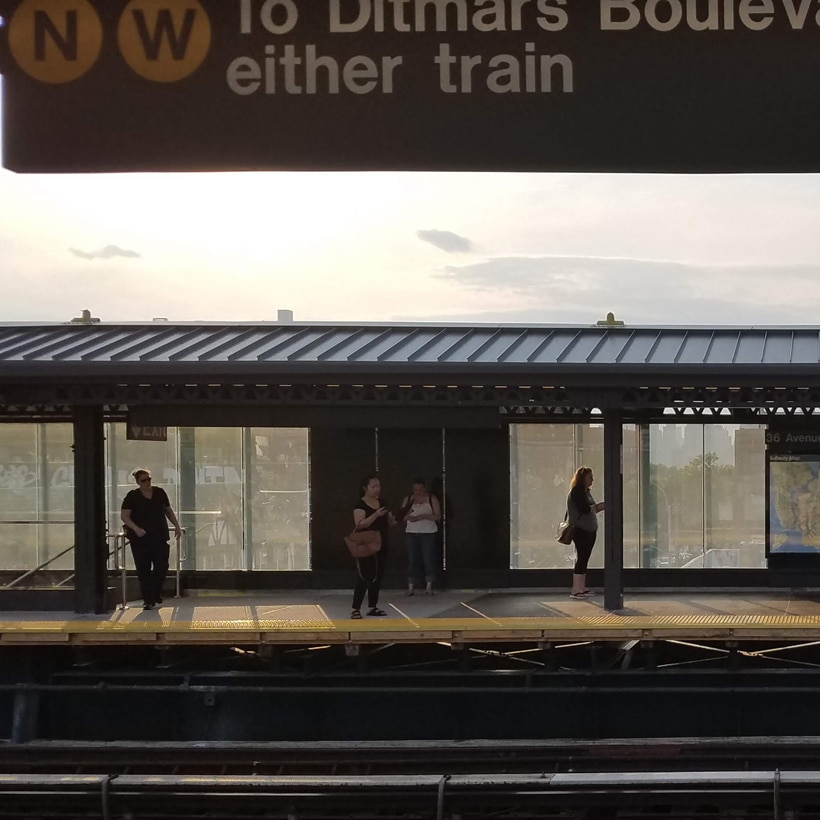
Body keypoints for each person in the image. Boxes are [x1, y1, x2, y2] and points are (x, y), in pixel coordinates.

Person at [121, 468, 182, 610]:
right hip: (140, 539)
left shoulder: (159, 493)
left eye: (149, 479)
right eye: (144, 480)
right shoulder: (132, 496)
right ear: (138, 482)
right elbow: (124, 515)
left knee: (162, 566)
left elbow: (168, 510)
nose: (147, 482)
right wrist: (136, 529)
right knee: (144, 569)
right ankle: (148, 599)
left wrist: (177, 526)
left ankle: (155, 592)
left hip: (159, 536)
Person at [351, 474, 395, 619]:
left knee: (378, 575)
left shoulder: (383, 502)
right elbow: (360, 523)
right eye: (373, 487)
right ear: (365, 488)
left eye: (378, 486)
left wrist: (404, 515)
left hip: (381, 541)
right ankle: (356, 608)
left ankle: (372, 606)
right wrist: (376, 514)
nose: (377, 489)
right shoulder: (360, 504)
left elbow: (391, 522)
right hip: (366, 542)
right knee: (365, 575)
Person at [566, 466, 604, 599]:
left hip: (588, 530)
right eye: (590, 477)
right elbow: (584, 509)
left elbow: (590, 510)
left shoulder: (585, 492)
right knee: (581, 558)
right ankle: (576, 590)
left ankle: (581, 587)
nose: (592, 480)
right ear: (582, 478)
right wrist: (599, 506)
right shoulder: (577, 492)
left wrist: (597, 508)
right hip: (581, 530)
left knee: (584, 558)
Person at [398, 477, 441, 596]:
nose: (417, 492)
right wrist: (409, 517)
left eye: (420, 489)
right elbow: (401, 516)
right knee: (412, 560)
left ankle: (429, 586)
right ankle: (411, 587)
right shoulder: (408, 499)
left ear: (424, 488)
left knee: (428, 559)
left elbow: (438, 516)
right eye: (415, 489)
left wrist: (425, 516)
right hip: (412, 532)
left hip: (428, 532)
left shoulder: (431, 499)